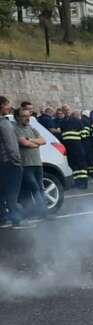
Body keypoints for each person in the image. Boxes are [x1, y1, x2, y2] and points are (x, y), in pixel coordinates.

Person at [14, 106, 49, 220]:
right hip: (26, 164)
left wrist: (30, 140)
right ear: (18, 118)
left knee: (40, 187)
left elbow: (43, 141)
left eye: (28, 116)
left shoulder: (32, 128)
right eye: (24, 116)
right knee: (34, 188)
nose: (27, 118)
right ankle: (39, 212)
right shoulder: (16, 129)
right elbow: (24, 143)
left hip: (37, 163)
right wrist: (34, 143)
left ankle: (43, 213)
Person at [0, 96, 27, 228]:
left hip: (2, 164)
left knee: (2, 194)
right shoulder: (4, 123)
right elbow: (11, 145)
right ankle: (16, 221)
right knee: (12, 194)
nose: (9, 107)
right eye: (7, 105)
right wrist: (17, 162)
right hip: (10, 164)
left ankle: (3, 220)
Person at [62, 109, 90, 189]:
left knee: (74, 164)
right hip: (77, 145)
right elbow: (84, 135)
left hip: (68, 146)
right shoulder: (78, 121)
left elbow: (62, 134)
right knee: (80, 164)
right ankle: (83, 182)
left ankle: (78, 182)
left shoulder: (64, 122)